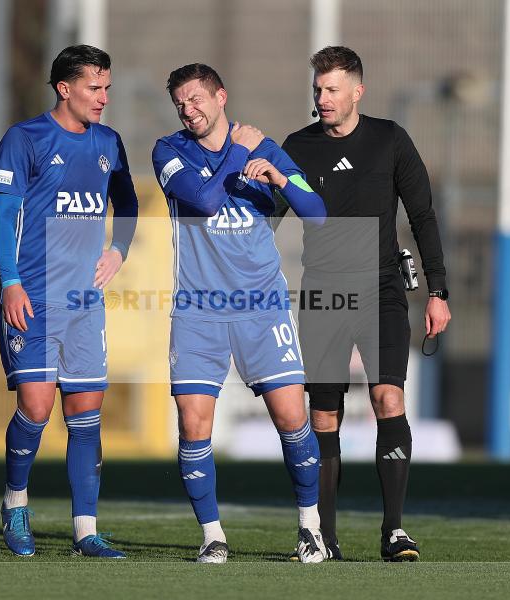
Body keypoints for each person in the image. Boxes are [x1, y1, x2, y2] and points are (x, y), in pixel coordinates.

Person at [279, 46, 451, 561]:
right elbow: (265, 219)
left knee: (388, 400)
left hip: (381, 289)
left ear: (358, 91)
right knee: (323, 414)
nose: (323, 98)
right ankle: (323, 538)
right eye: (317, 89)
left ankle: (394, 530)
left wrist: (437, 292)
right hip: (322, 292)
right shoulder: (297, 146)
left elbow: (422, 215)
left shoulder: (390, 140)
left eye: (332, 89)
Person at [152, 63, 328, 563]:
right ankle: (212, 535)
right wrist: (241, 151)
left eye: (196, 99)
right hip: (198, 309)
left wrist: (276, 175)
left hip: (261, 306)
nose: (189, 110)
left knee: (292, 416)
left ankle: (309, 528)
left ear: (220, 96)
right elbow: (206, 201)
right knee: (193, 422)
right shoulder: (170, 151)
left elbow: (316, 213)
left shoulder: (266, 150)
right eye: (181, 103)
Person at [0, 45, 138, 559]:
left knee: (86, 411)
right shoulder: (23, 139)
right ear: (65, 88)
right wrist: (10, 281)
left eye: (107, 88)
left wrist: (119, 249)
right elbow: (5, 216)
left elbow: (129, 201)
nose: (103, 98)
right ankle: (15, 502)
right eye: (95, 88)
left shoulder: (109, 142)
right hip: (31, 297)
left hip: (84, 303)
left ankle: (85, 530)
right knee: (35, 404)